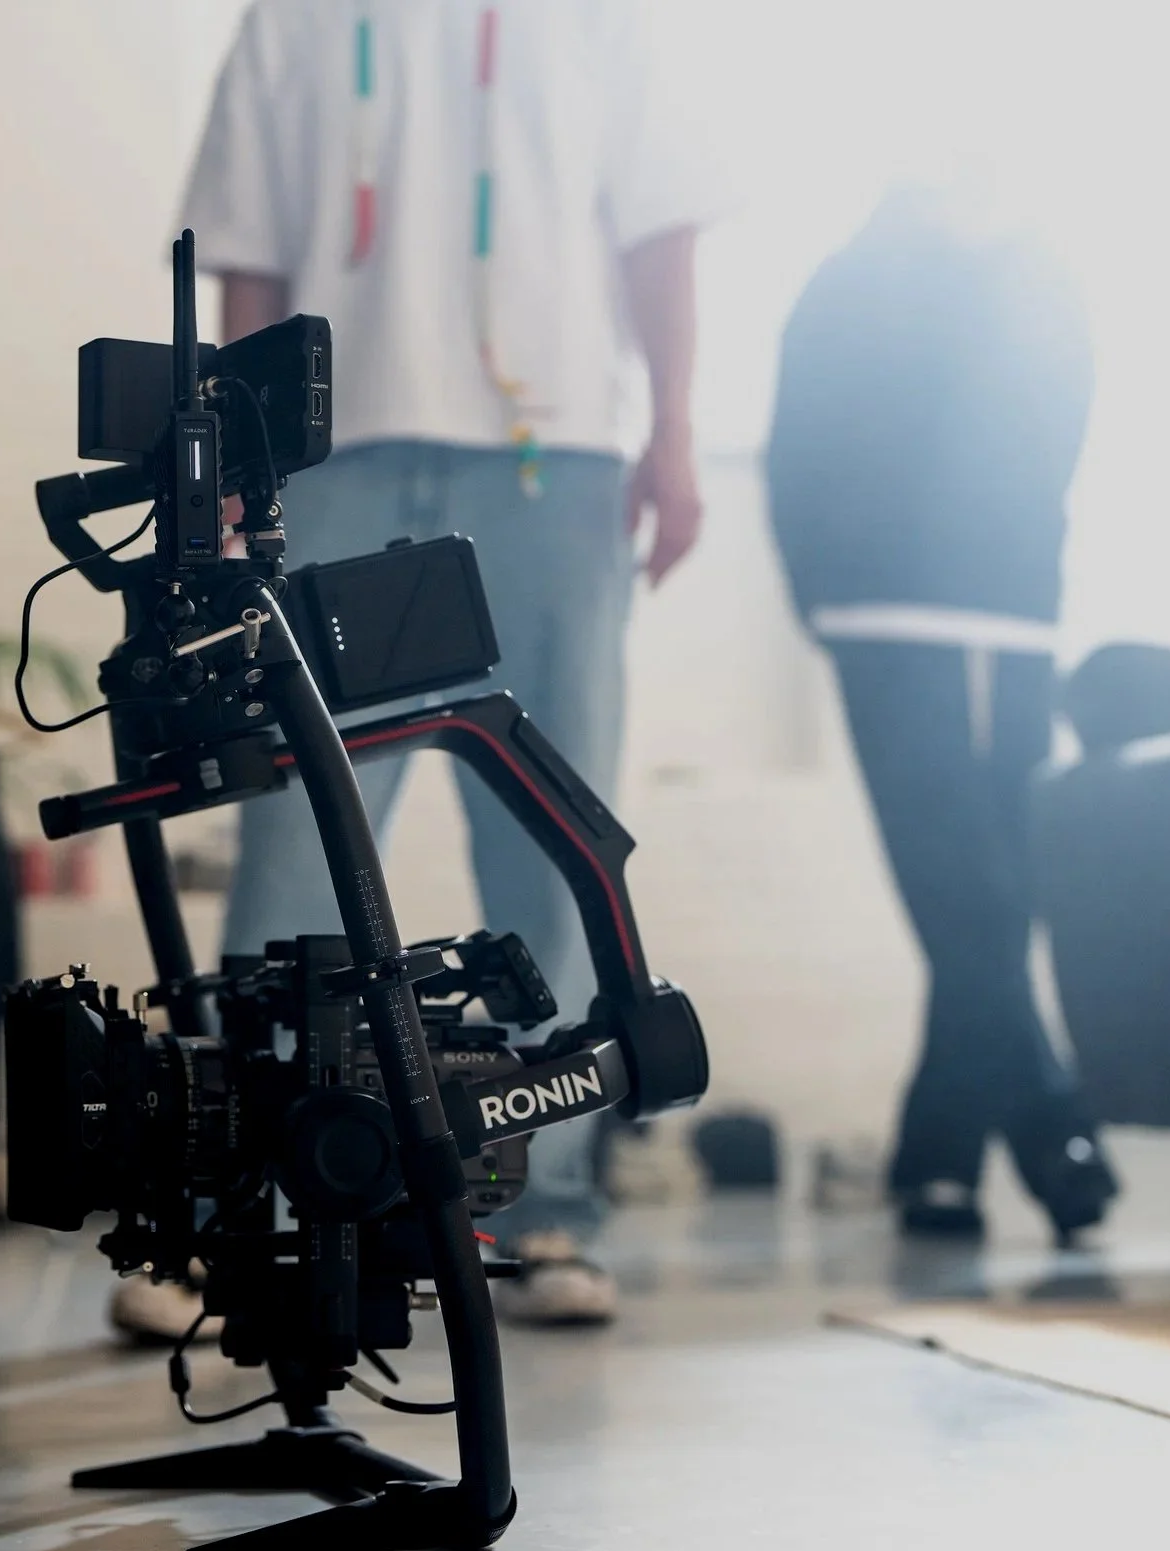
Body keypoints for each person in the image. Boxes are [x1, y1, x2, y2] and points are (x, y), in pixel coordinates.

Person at [110, 0, 731, 1339]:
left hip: (551, 457)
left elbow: (659, 225)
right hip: (330, 466)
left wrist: (677, 427)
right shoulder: (289, 20)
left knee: (557, 833)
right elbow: (254, 261)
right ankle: (246, 1218)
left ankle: (549, 1203)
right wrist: (237, 465)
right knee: (289, 836)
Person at [764, 180, 1117, 1241]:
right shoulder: (850, 278)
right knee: (969, 896)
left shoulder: (1047, 276)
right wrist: (822, 596)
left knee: (994, 899)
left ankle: (941, 1157)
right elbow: (796, 449)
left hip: (1008, 619)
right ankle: (1048, 1124)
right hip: (884, 612)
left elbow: (1058, 436)